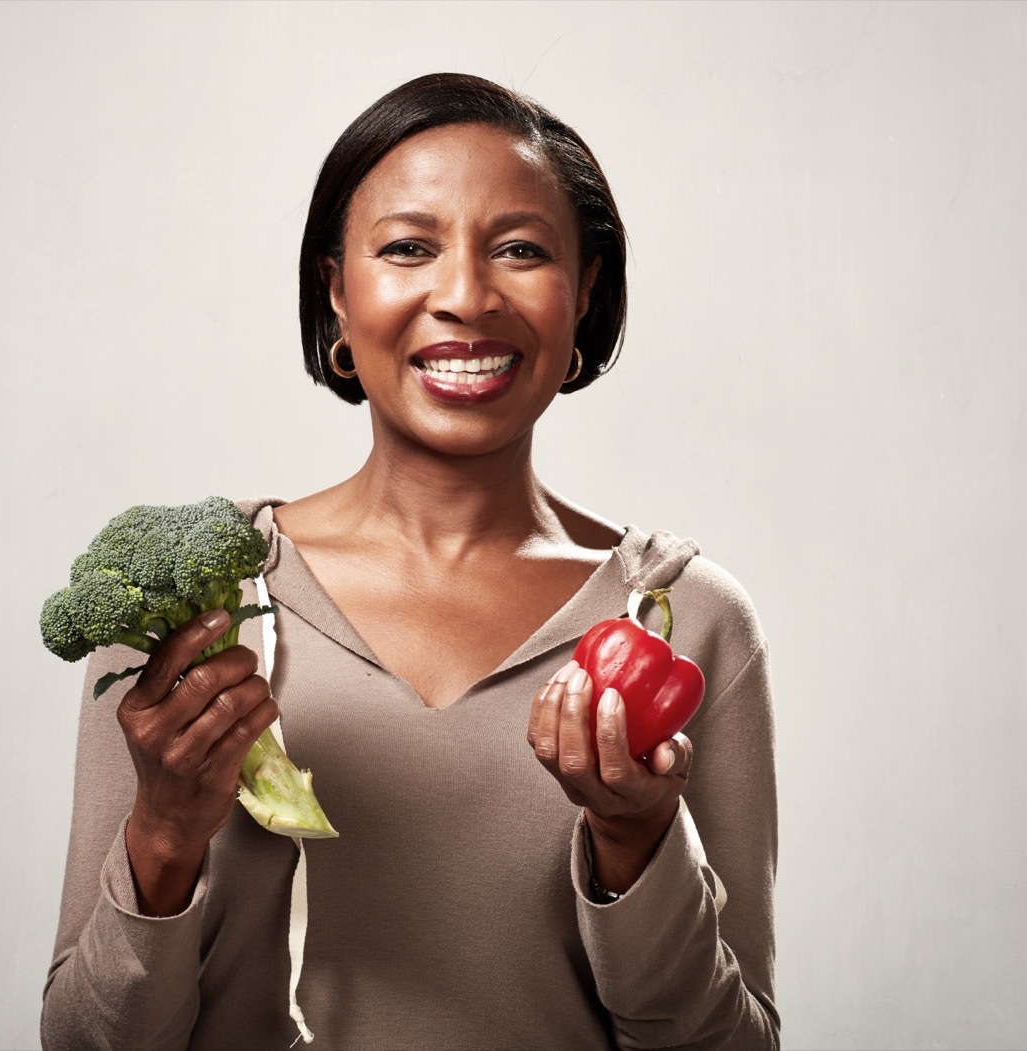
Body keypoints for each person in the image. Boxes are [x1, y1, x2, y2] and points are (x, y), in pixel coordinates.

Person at [41, 73, 778, 1050]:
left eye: (519, 250)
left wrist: (638, 840)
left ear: (585, 291)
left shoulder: (684, 619)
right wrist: (164, 837)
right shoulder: (199, 607)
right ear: (337, 291)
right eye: (406, 249)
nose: (466, 296)